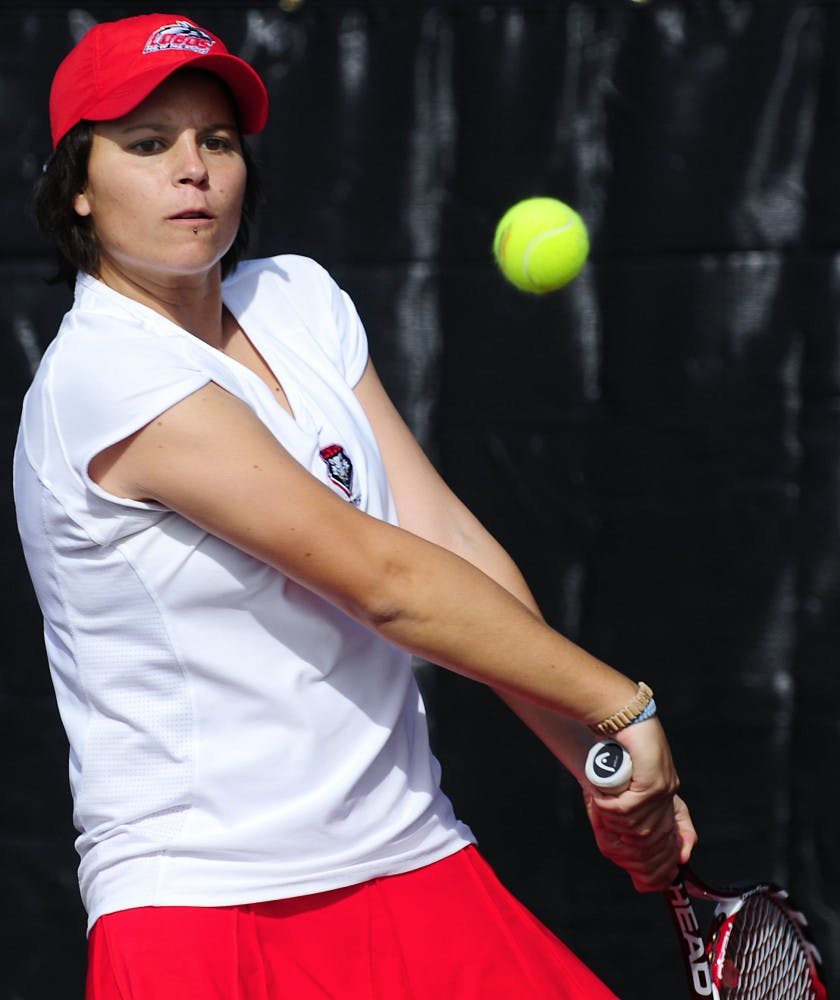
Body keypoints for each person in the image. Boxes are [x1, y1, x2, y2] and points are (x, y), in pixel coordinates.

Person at [15, 12, 696, 999]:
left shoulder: (296, 299)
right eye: (149, 143)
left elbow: (442, 537)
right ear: (78, 184)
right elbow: (383, 582)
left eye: (216, 141)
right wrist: (619, 703)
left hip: (412, 859)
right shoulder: (103, 374)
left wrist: (592, 758)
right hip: (205, 914)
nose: (193, 170)